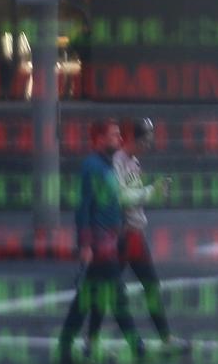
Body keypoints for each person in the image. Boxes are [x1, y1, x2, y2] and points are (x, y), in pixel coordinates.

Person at [84, 117, 182, 358]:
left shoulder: (133, 162)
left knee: (147, 285)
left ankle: (164, 337)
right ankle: (93, 341)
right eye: (147, 138)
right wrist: (151, 191)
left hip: (134, 232)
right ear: (135, 139)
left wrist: (156, 193)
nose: (150, 143)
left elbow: (136, 197)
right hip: (121, 236)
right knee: (111, 289)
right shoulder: (116, 162)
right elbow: (122, 198)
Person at [58, 119, 146, 364]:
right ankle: (136, 345)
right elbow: (83, 207)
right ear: (98, 139)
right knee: (116, 296)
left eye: (119, 134)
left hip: (111, 240)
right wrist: (85, 245)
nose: (118, 139)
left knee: (85, 298)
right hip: (100, 243)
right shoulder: (92, 167)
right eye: (113, 135)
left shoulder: (107, 166)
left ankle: (66, 345)